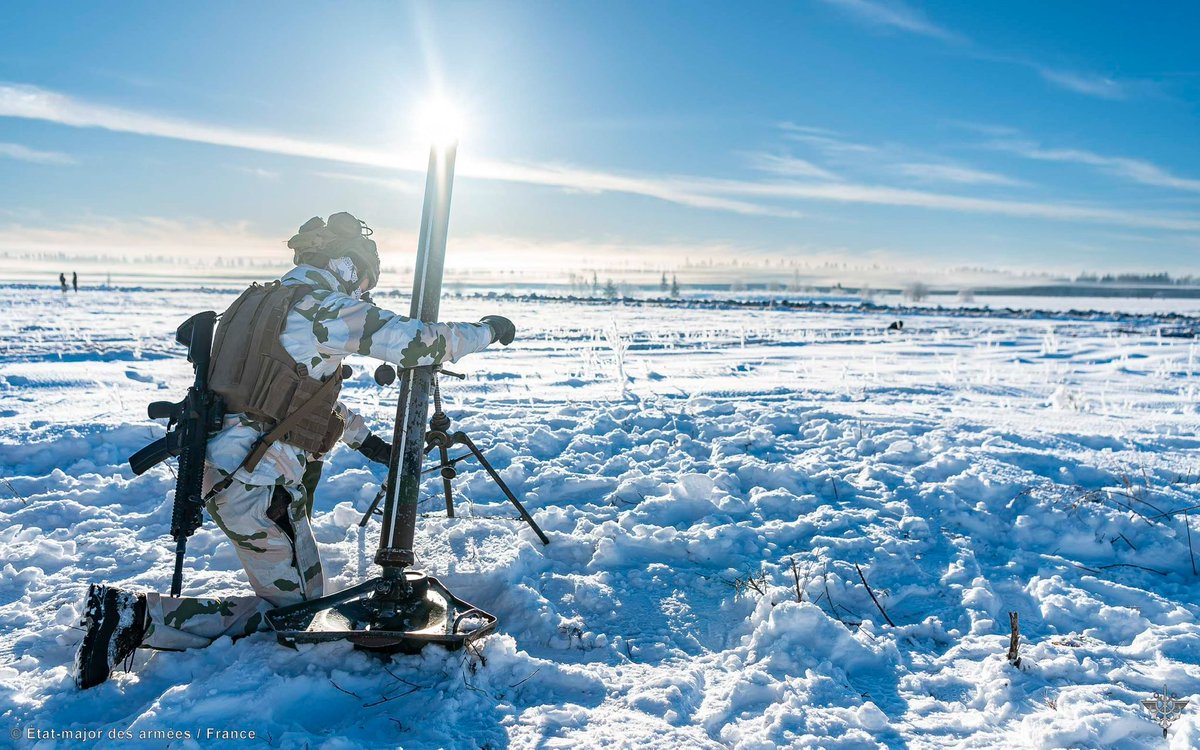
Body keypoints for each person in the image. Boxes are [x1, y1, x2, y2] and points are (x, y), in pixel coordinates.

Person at [73, 212, 517, 689]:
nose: (364, 293)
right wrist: (489, 330)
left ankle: (138, 618)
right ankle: (135, 619)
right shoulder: (320, 308)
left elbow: (296, 397)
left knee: (305, 600)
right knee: (301, 619)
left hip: (239, 473)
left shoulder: (263, 303)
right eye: (364, 280)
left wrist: (365, 441)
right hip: (253, 484)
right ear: (345, 266)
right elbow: (419, 344)